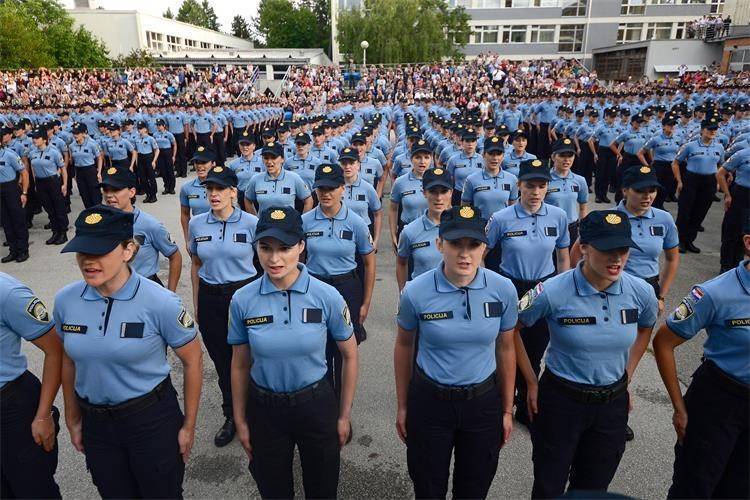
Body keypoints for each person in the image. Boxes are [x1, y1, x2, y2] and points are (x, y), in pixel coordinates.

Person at [55, 205, 203, 498]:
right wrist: (73, 417)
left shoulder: (160, 302)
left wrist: (189, 425)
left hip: (149, 420)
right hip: (96, 422)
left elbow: (193, 360)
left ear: (128, 250)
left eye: (99, 252)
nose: (88, 261)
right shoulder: (66, 301)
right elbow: (69, 361)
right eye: (82, 252)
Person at [517, 210, 658, 498]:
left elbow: (646, 328)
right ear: (583, 247)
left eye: (623, 249)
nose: (616, 258)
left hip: (610, 405)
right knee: (549, 485)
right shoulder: (553, 291)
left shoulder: (641, 292)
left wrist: (626, 376)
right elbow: (510, 329)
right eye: (607, 250)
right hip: (561, 402)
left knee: (593, 487)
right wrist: (531, 381)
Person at [228, 205, 358, 498]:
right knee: (274, 490)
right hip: (266, 410)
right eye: (266, 247)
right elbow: (239, 365)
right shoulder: (242, 300)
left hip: (316, 405)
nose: (274, 258)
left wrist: (343, 415)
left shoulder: (327, 296)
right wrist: (240, 419)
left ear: (301, 246)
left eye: (285, 247)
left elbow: (349, 355)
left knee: (322, 489)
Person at [394, 205, 518, 499]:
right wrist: (403, 404)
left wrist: (505, 408)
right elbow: (404, 346)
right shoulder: (416, 291)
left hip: (482, 403)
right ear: (439, 244)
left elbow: (506, 347)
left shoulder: (503, 290)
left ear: (484, 247)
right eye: (455, 244)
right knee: (428, 486)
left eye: (473, 245)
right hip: (430, 403)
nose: (465, 254)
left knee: (474, 488)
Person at [653, 211, 749, 499]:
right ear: (748, 242)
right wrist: (679, 406)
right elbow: (663, 343)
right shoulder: (714, 293)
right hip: (718, 401)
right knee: (695, 487)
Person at [485, 158, 571, 426]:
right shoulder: (501, 218)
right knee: (505, 344)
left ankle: (525, 401)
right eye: (530, 185)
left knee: (536, 346)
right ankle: (505, 399)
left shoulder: (558, 216)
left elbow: (564, 256)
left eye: (541, 185)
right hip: (511, 287)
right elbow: (481, 254)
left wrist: (562, 286)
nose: (535, 192)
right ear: (518, 185)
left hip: (544, 288)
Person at [188, 165, 259, 447]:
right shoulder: (197, 223)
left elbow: (263, 265)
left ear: (233, 192)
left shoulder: (251, 223)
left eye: (219, 189)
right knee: (223, 361)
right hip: (210, 298)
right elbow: (196, 263)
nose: (213, 194)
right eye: (209, 189)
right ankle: (232, 415)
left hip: (243, 295)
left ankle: (257, 413)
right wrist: (196, 302)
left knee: (251, 357)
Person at [302, 163, 375, 394]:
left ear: (342, 188)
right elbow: (299, 260)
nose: (326, 193)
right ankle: (325, 402)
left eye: (332, 187)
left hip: (347, 289)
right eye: (321, 188)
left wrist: (365, 302)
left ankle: (343, 405)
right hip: (316, 289)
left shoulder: (356, 222)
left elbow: (369, 263)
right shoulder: (305, 221)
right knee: (318, 347)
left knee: (344, 351)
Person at [1, 273, 63, 498]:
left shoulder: (7, 293)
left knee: (33, 490)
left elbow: (56, 349)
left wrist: (43, 414)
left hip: (10, 410)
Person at [100, 166, 182, 290]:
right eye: (106, 190)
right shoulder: (101, 224)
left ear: (131, 192)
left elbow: (175, 256)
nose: (109, 195)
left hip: (145, 289)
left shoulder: (150, 225)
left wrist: (170, 294)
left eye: (116, 190)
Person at [673, 117, 725, 254]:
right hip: (691, 180)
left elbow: (721, 165)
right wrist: (679, 181)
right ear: (702, 130)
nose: (713, 132)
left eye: (715, 129)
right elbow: (676, 163)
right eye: (710, 129)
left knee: (700, 212)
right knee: (685, 212)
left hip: (709, 182)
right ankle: (679, 241)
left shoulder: (719, 146)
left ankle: (690, 240)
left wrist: (718, 182)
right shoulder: (690, 145)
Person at [396, 168, 452, 291]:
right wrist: (402, 293)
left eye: (443, 191)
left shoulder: (461, 227)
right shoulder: (410, 231)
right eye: (433, 191)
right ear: (424, 192)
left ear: (451, 193)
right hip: (422, 297)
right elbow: (401, 263)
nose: (439, 197)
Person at [244, 141, 312, 216]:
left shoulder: (294, 178)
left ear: (282, 159)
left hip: (287, 226)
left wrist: (302, 221)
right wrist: (255, 220)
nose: (269, 162)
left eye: (273, 157)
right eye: (266, 158)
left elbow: (308, 200)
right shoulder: (256, 179)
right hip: (265, 226)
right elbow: (247, 200)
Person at [29, 127, 68, 245]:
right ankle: (55, 232)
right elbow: (33, 168)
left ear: (44, 139)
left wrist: (64, 184)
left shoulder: (54, 152)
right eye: (33, 138)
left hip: (52, 181)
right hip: (41, 183)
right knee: (49, 209)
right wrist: (36, 183)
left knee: (58, 207)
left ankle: (63, 233)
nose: (34, 140)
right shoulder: (32, 152)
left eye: (37, 138)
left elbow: (62, 168)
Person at [389, 140, 431, 249]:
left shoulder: (437, 181)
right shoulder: (400, 182)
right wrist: (393, 234)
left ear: (431, 159)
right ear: (411, 159)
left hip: (432, 231)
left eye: (426, 157)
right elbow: (393, 209)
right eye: (418, 157)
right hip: (407, 230)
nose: (422, 161)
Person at [545, 139, 589, 244]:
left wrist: (583, 230)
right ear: (553, 157)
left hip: (571, 228)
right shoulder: (544, 180)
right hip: (548, 227)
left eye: (570, 156)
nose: (567, 160)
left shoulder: (580, 180)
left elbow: (583, 208)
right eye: (562, 156)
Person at [717, 146, 750, 272]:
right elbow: (720, 174)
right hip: (740, 195)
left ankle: (738, 265)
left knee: (746, 233)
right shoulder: (742, 154)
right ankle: (725, 266)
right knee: (731, 232)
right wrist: (727, 194)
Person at [0, 126, 30, 263]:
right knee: (6, 221)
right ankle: (13, 250)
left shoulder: (10, 155)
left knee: (18, 220)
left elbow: (24, 172)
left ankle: (23, 250)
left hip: (11, 188)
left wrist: (24, 192)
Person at [340, 146, 382, 241]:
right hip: (341, 235)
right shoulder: (335, 188)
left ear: (358, 165)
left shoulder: (367, 188)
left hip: (363, 234)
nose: (347, 167)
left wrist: (375, 240)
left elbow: (377, 214)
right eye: (344, 163)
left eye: (351, 163)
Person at [639, 114, 680, 209]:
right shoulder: (656, 139)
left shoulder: (677, 139)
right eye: (669, 125)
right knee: (656, 188)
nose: (672, 127)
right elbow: (640, 153)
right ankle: (652, 206)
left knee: (667, 187)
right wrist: (647, 165)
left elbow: (678, 152)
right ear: (663, 126)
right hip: (659, 166)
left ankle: (660, 205)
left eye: (673, 125)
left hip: (671, 166)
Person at [179, 146, 213, 246]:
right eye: (197, 162)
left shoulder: (223, 186)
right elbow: (185, 215)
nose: (199, 166)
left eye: (204, 162)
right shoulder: (186, 188)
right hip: (199, 235)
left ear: (213, 163)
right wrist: (187, 239)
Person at [69, 122, 103, 209]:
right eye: (74, 133)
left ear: (84, 133)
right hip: (79, 171)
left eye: (77, 133)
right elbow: (73, 161)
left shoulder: (92, 144)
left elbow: (99, 158)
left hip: (90, 169)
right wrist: (75, 174)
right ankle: (89, 211)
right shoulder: (72, 146)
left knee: (94, 192)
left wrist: (99, 172)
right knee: (84, 193)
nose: (75, 135)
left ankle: (98, 211)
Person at [134, 122, 160, 204]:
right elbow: (135, 150)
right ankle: (148, 194)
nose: (139, 130)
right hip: (140, 158)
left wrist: (154, 161)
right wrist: (136, 161)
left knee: (151, 178)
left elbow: (157, 150)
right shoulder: (137, 139)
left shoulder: (150, 139)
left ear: (145, 129)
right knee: (143, 178)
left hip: (148, 157)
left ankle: (153, 195)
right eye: (138, 128)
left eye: (141, 128)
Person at [154, 119, 177, 195]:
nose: (158, 127)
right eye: (157, 125)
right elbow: (155, 147)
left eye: (160, 125)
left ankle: (172, 188)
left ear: (164, 125)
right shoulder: (155, 134)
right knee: (163, 171)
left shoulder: (169, 134)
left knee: (170, 171)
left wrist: (173, 156)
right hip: (160, 153)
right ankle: (166, 187)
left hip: (167, 152)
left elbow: (174, 144)